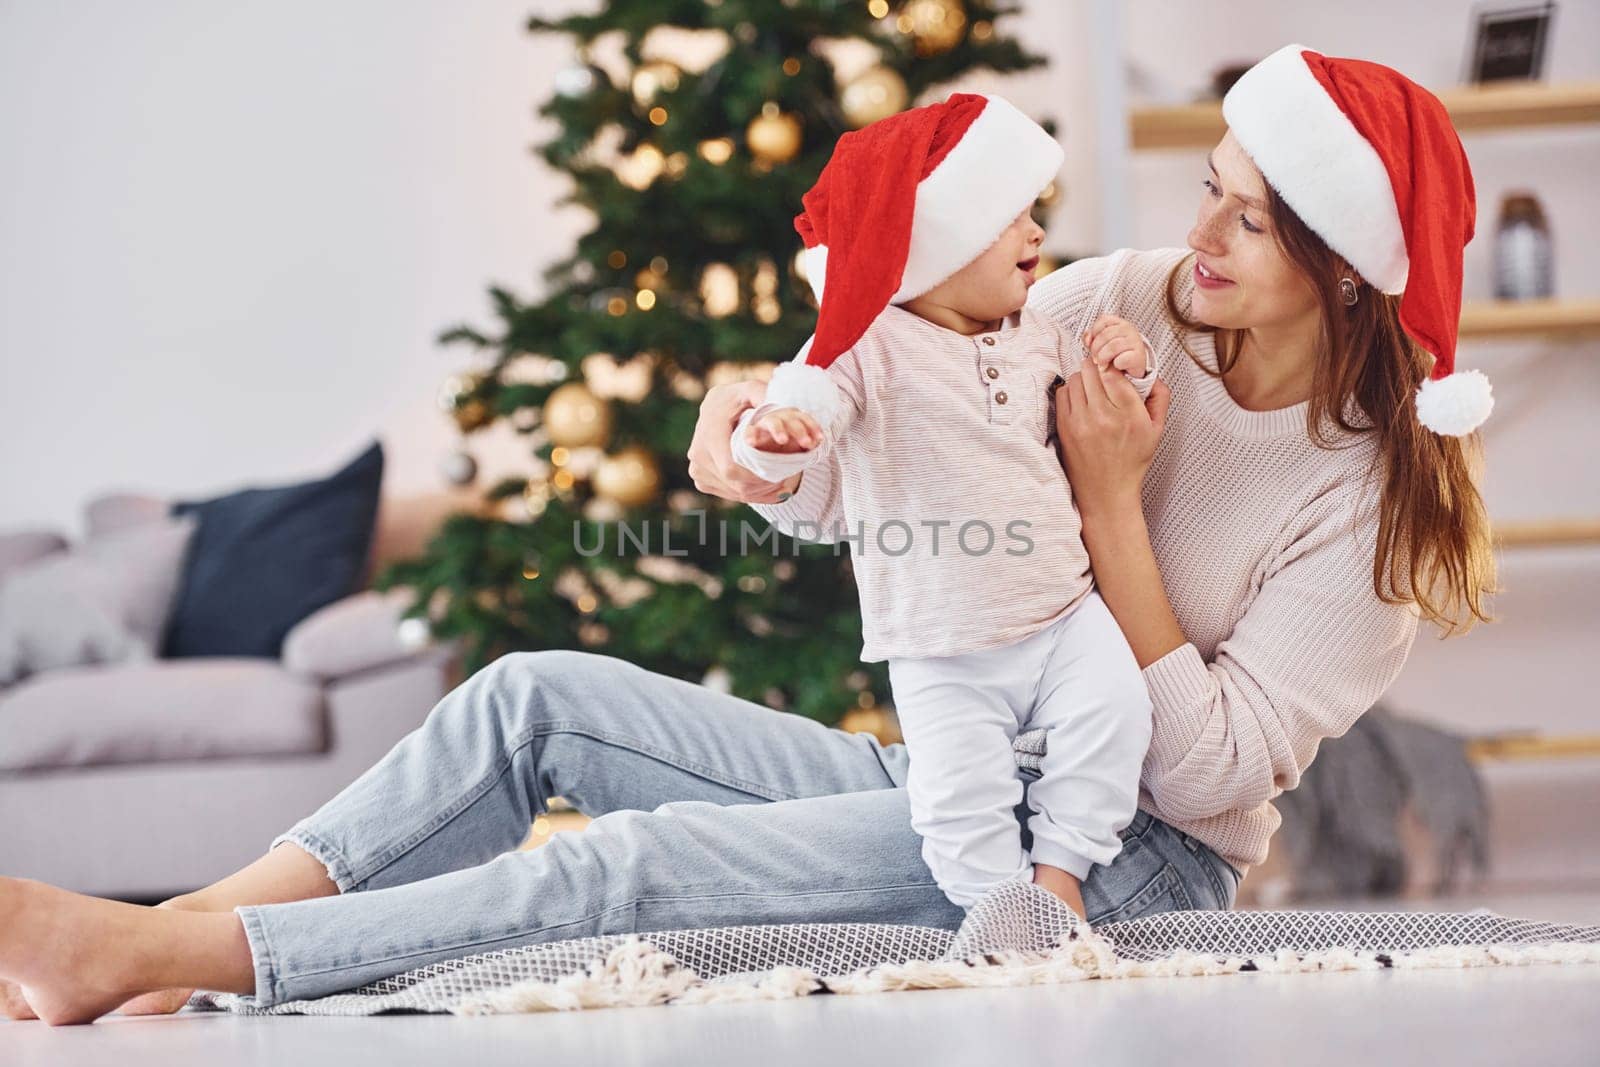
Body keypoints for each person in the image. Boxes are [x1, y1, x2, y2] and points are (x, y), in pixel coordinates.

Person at [0, 45, 1493, 1026]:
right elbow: (908, 436)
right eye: (1213, 196)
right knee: (536, 696)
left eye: (1248, 221)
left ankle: (151, 953)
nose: (1199, 239)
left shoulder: (1380, 501)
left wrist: (1111, 499)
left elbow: (1209, 769)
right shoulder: (1128, 298)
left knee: (632, 868)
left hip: (1126, 856)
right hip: (967, 763)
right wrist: (771, 454)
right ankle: (186, 929)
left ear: (1348, 273)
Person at [730, 92, 1157, 918]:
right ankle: (998, 912)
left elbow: (1111, 406)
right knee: (959, 791)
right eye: (1011, 217)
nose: (1037, 234)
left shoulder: (1035, 330)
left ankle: (1061, 876)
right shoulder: (865, 345)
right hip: (940, 640)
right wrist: (772, 439)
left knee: (1117, 712)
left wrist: (1127, 366)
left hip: (1065, 611)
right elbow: (801, 409)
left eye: (1036, 214)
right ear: (932, 242)